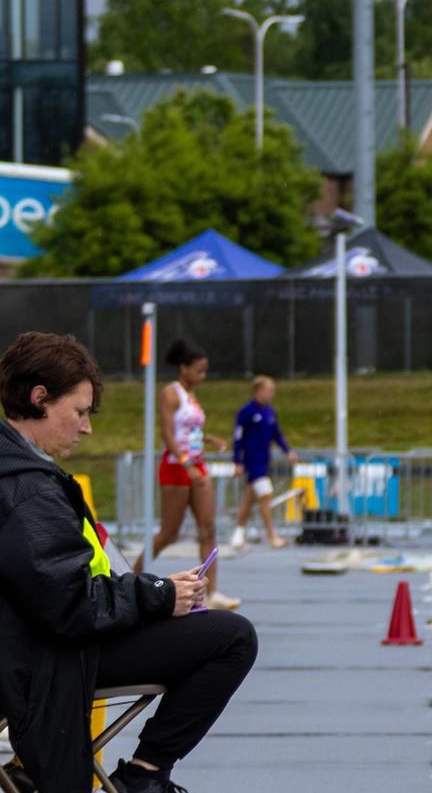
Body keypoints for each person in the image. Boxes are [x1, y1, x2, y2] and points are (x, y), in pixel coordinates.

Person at [0, 332, 258, 793]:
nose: (86, 427)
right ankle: (145, 774)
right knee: (232, 637)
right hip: (45, 655)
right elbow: (69, 605)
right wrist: (158, 596)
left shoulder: (17, 470)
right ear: (39, 398)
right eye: (79, 412)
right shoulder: (28, 488)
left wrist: (151, 591)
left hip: (30, 644)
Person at [152, 340, 238, 611]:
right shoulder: (171, 393)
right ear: (184, 368)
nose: (203, 376)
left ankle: (212, 591)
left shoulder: (192, 397)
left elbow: (190, 431)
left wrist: (208, 439)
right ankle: (127, 573)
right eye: (199, 371)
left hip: (197, 464)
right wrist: (185, 461)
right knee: (169, 533)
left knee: (208, 529)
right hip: (177, 466)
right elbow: (168, 433)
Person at [230, 376, 296, 549]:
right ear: (259, 391)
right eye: (269, 390)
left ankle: (237, 534)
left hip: (264, 460)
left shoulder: (269, 412)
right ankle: (271, 536)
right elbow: (238, 438)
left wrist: (287, 450)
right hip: (252, 461)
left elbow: (277, 434)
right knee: (266, 495)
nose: (271, 394)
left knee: (248, 500)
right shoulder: (246, 412)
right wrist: (237, 461)